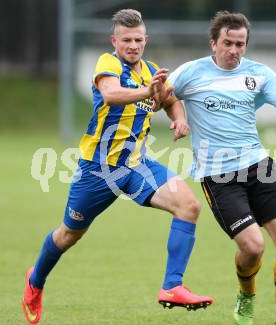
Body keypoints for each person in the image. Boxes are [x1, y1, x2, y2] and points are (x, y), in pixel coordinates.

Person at [21, 9, 212, 324]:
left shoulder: (150, 71)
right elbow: (111, 95)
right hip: (97, 170)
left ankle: (172, 286)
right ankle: (36, 280)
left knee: (189, 206)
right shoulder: (108, 64)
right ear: (115, 41)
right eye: (127, 40)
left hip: (136, 166)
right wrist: (148, 91)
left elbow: (169, 99)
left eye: (138, 39)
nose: (133, 45)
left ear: (145, 40)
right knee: (68, 235)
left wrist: (178, 118)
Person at [168, 11, 276, 325]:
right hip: (218, 176)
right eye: (228, 43)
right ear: (214, 42)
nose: (234, 50)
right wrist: (178, 116)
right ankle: (246, 296)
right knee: (253, 247)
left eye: (240, 44)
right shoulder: (190, 73)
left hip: (258, 167)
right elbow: (161, 98)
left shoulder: (259, 74)